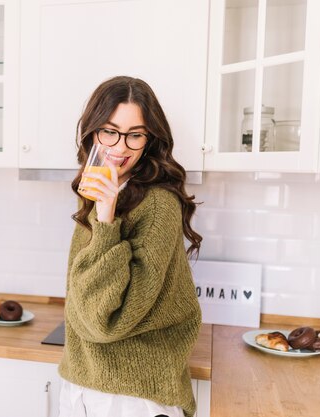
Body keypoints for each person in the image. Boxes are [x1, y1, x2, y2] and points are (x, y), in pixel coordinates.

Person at [59, 76, 203, 417]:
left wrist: (107, 219)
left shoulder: (157, 205)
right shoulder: (104, 192)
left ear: (150, 140)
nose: (120, 148)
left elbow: (106, 321)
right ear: (92, 133)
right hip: (84, 386)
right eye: (109, 132)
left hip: (132, 398)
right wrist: (103, 210)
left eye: (135, 135)